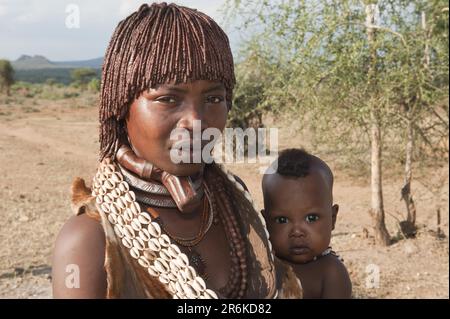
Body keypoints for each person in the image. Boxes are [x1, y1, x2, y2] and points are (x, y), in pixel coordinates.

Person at [52, 2, 302, 299]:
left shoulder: (236, 204)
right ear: (120, 107)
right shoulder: (89, 240)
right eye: (168, 99)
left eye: (213, 98)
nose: (196, 122)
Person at [262, 148, 352, 298]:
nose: (297, 232)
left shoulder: (331, 273)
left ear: (333, 218)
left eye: (311, 218)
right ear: (265, 223)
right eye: (282, 220)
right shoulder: (262, 267)